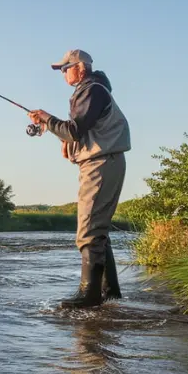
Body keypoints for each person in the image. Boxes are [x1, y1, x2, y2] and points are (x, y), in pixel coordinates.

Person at [27, 49, 130, 309]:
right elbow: (78, 131)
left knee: (88, 232)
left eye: (65, 68)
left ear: (80, 68)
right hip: (104, 161)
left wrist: (46, 119)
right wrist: (61, 135)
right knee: (98, 231)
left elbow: (74, 131)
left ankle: (89, 294)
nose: (63, 73)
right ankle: (109, 292)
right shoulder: (92, 90)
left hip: (101, 163)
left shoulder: (91, 90)